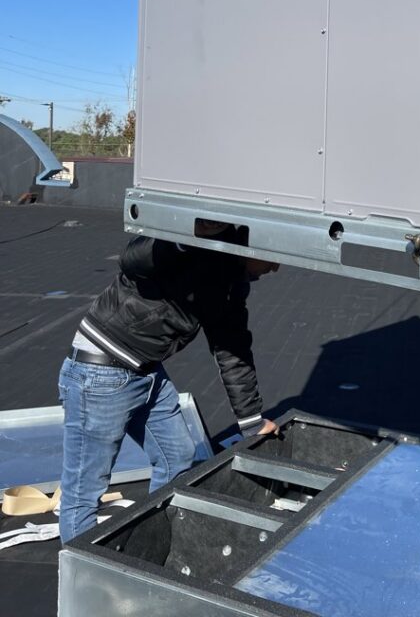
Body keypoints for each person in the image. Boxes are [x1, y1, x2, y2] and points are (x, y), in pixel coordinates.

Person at [58, 222, 278, 543]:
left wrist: (251, 423)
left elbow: (233, 350)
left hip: (147, 371)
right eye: (273, 258)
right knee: (84, 492)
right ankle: (85, 587)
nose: (275, 267)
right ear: (254, 245)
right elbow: (133, 259)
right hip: (101, 371)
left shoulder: (229, 281)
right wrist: (187, 238)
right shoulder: (192, 249)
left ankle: (152, 549)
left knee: (177, 457)